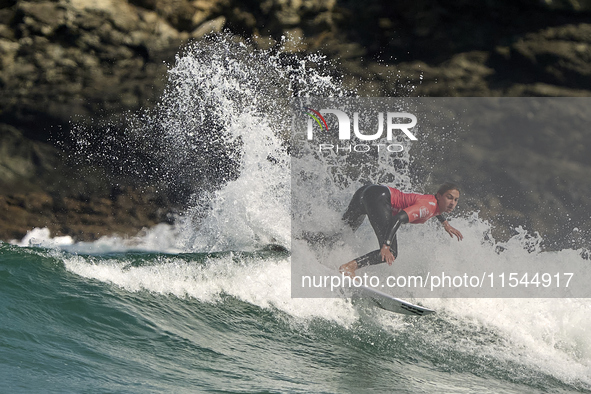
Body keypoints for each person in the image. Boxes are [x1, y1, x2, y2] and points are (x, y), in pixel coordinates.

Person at [338, 182, 463, 277]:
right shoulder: (427, 208)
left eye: (456, 200)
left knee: (344, 232)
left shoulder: (433, 203)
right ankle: (349, 267)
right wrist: (386, 245)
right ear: (439, 196)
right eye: (449, 197)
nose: (452, 203)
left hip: (368, 191)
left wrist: (445, 223)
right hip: (378, 199)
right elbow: (397, 219)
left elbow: (437, 209)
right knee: (392, 252)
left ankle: (320, 244)